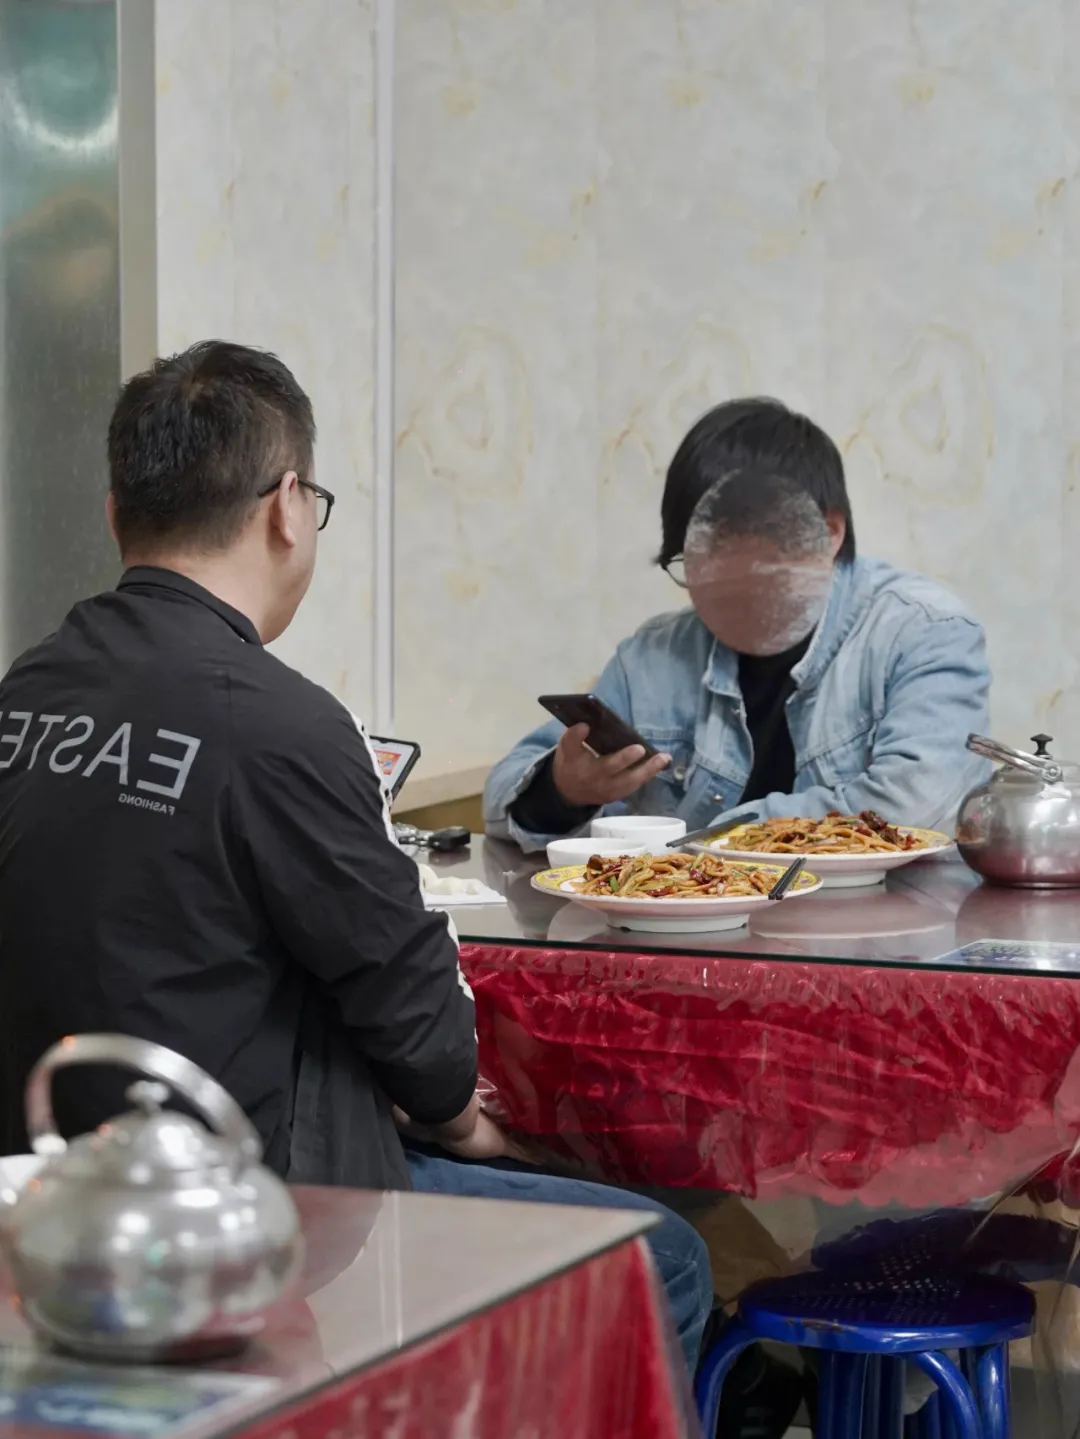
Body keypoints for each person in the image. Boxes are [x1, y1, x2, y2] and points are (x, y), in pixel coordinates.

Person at [0, 341, 713, 1375]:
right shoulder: (278, 725)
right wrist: (461, 1121)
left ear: (117, 515)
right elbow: (417, 1019)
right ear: (289, 507)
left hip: (57, 1200)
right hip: (259, 1211)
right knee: (669, 1257)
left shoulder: (24, 694)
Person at [485, 397, 991, 851]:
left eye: (752, 560)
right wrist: (564, 791)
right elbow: (502, 799)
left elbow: (911, 809)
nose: (723, 585)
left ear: (829, 532)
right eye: (700, 561)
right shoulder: (653, 657)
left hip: (882, 923)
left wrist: (714, 838)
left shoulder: (924, 631)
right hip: (693, 921)